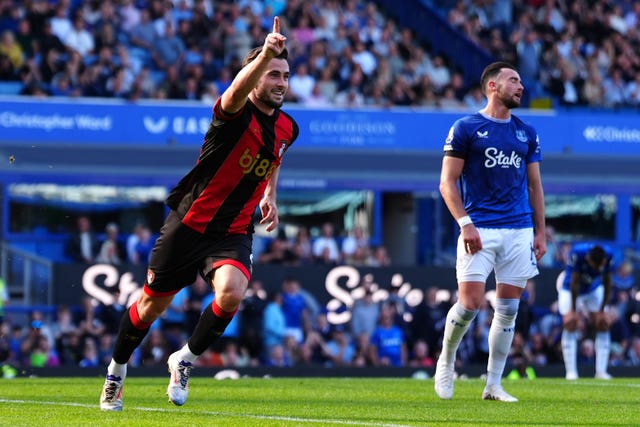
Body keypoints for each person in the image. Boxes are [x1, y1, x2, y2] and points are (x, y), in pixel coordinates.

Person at [100, 17, 297, 411]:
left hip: (234, 231)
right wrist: (264, 54)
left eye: (285, 75)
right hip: (189, 225)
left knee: (232, 293)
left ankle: (183, 359)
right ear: (255, 77)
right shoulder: (233, 113)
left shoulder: (289, 128)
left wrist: (270, 194)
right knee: (150, 308)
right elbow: (236, 90)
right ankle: (116, 372)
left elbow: (274, 158)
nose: (280, 81)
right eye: (272, 73)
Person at [434, 61, 546, 403]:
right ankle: (446, 362)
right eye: (513, 80)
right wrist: (465, 223)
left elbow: (535, 185)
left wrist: (540, 232)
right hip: (479, 228)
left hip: (519, 230)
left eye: (521, 81)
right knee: (469, 305)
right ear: (493, 86)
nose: (521, 86)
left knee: (509, 309)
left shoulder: (526, 131)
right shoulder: (466, 127)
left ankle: (493, 384)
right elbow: (447, 183)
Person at [557, 243, 613, 380]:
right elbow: (574, 283)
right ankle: (571, 372)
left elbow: (607, 283)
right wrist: (573, 310)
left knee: (603, 323)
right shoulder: (578, 253)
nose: (598, 269)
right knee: (570, 323)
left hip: (593, 288)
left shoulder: (609, 255)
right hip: (569, 288)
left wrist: (601, 310)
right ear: (588, 260)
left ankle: (601, 372)